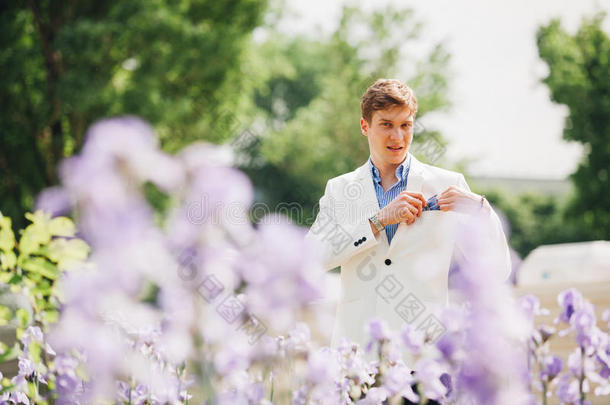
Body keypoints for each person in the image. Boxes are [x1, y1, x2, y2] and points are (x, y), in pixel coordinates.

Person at [305, 78, 511, 369]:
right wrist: (377, 222)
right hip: (358, 361)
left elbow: (495, 271)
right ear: (365, 127)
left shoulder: (449, 184)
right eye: (386, 125)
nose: (397, 136)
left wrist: (483, 213)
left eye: (406, 125)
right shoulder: (340, 190)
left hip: (424, 360)